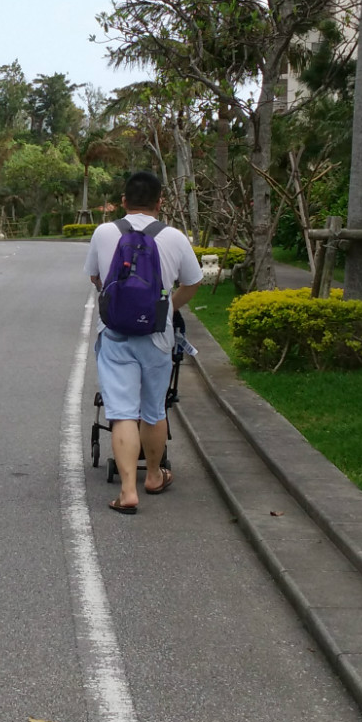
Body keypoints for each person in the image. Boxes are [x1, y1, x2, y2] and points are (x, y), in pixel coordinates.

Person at [85, 170, 203, 513]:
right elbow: (193, 282)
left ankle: (127, 492)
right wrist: (167, 309)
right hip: (157, 336)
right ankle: (152, 476)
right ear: (160, 202)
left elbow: (94, 276)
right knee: (153, 410)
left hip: (115, 334)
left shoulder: (104, 232)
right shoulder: (175, 237)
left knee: (122, 411)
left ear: (123, 201)